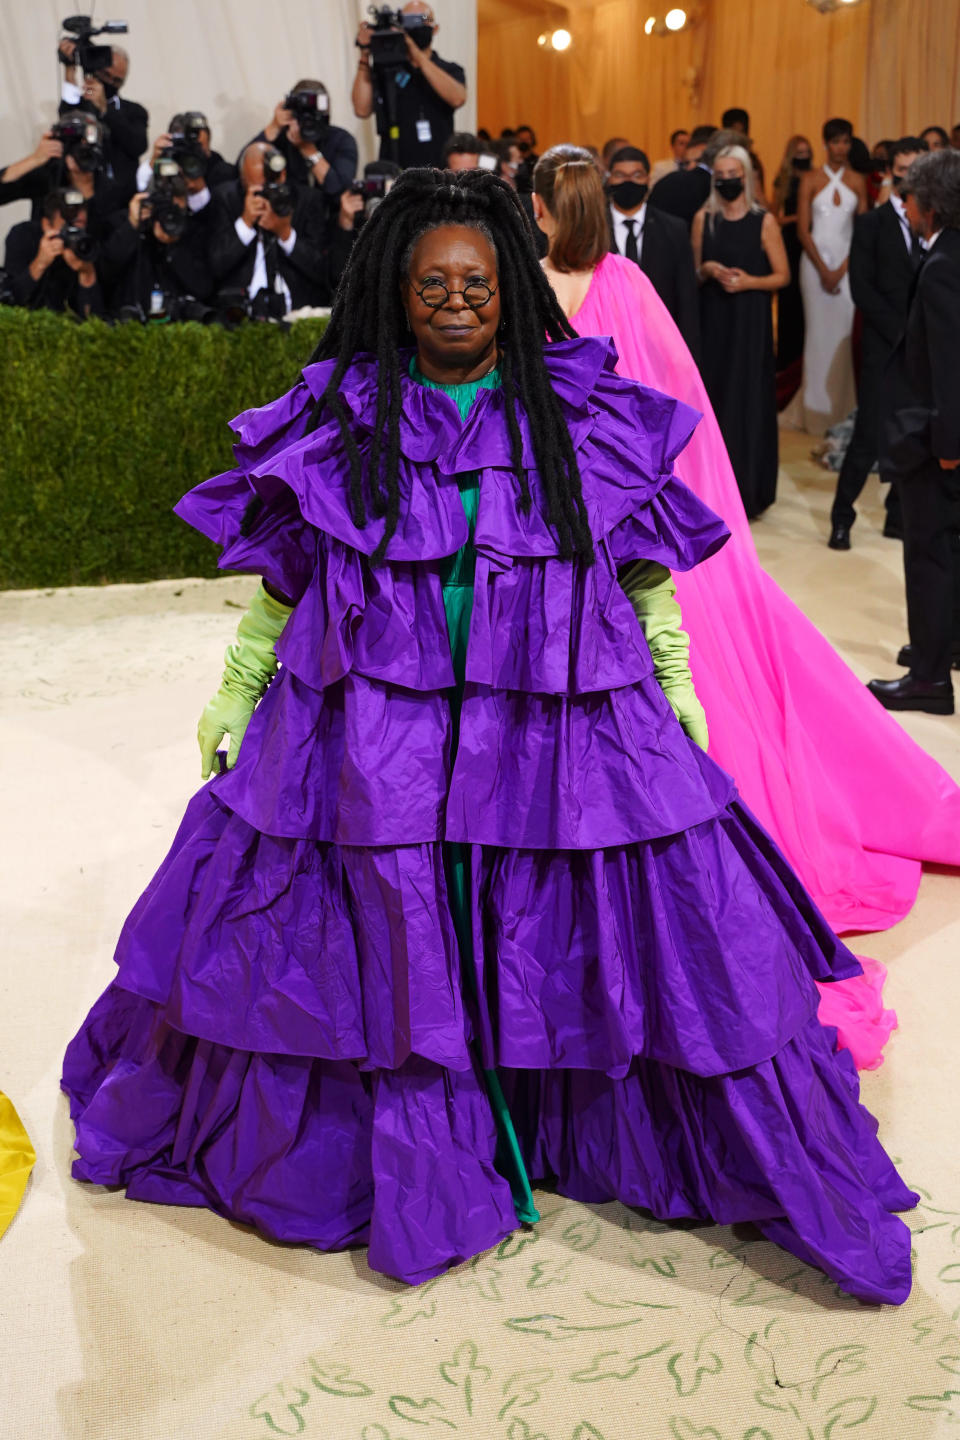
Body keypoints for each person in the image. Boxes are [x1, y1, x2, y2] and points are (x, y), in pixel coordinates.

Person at [61, 166, 916, 1306]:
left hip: (548, 711)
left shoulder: (574, 407)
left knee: (584, 915)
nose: (455, 300)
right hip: (379, 724)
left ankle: (554, 1118)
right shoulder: (346, 408)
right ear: (396, 293)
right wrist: (239, 685)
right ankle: (431, 1137)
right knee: (390, 922)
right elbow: (286, 576)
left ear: (511, 286)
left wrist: (673, 681)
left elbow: (645, 568)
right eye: (431, 285)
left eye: (475, 282)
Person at [531, 143, 960, 955]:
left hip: (552, 512)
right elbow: (672, 401)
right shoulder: (626, 284)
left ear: (544, 209)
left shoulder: (531, 292)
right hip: (624, 502)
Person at [869, 149, 960, 715]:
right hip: (941, 431)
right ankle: (938, 647)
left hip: (936, 436)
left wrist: (949, 449)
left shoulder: (943, 264)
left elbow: (950, 366)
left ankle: (929, 678)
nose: (904, 203)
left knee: (928, 552)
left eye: (909, 193)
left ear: (929, 203)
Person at [828, 137, 928, 550]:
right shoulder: (871, 224)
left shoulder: (939, 225)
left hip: (925, 353)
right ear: (890, 173)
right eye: (902, 171)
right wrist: (905, 331)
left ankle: (896, 517)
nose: (908, 179)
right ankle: (842, 518)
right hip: (882, 347)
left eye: (916, 171)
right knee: (868, 435)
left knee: (916, 434)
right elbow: (862, 290)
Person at [692, 145, 788, 517]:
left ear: (746, 177)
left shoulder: (764, 221)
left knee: (748, 400)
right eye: (721, 175)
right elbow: (694, 271)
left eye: (734, 174)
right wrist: (709, 270)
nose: (728, 181)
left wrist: (749, 282)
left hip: (750, 324)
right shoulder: (705, 218)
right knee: (716, 400)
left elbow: (782, 276)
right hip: (714, 321)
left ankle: (750, 493)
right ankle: (714, 493)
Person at [790, 117, 868, 435]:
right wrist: (824, 268)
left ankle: (842, 409)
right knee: (817, 335)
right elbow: (802, 230)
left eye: (846, 141)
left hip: (850, 266)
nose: (841, 147)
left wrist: (841, 268)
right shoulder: (809, 179)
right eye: (836, 141)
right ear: (825, 144)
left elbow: (863, 231)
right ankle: (814, 411)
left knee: (843, 334)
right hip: (813, 265)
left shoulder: (858, 181)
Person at [208, 143, 332, 315]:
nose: (266, 193)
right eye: (258, 188)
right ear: (243, 181)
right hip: (240, 313)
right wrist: (245, 223)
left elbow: (323, 271)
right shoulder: (225, 198)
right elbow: (215, 266)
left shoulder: (307, 200)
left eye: (271, 184)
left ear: (282, 175)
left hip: (297, 312)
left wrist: (285, 233)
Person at [606, 144, 699, 359]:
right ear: (609, 179)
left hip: (660, 344)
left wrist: (688, 355)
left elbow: (686, 298)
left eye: (636, 175)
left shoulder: (674, 229)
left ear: (648, 179)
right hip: (607, 343)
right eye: (620, 175)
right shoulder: (591, 229)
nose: (628, 182)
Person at [352, 2, 466, 168]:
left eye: (423, 20)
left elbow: (458, 98)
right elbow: (361, 110)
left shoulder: (449, 69)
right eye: (408, 21)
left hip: (438, 168)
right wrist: (364, 55)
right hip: (395, 166)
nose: (415, 26)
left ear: (435, 28)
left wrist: (414, 52)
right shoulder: (387, 69)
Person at [102, 173, 213, 319]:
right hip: (131, 323)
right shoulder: (124, 224)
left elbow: (204, 288)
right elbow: (106, 271)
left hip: (178, 325)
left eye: (178, 212)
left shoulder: (192, 232)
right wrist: (132, 226)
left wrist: (173, 247)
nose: (171, 218)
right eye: (166, 211)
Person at [57, 38, 147, 200]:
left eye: (117, 80)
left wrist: (105, 109)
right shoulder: (84, 103)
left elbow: (138, 145)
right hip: (84, 194)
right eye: (106, 75)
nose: (110, 82)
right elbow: (67, 111)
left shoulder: (134, 111)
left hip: (122, 201)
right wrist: (70, 69)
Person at [246, 81, 356, 206]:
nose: (308, 119)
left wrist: (308, 150)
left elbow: (340, 193)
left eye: (314, 113)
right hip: (289, 216)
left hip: (330, 217)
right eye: (303, 113)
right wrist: (273, 127)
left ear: (327, 111)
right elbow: (244, 172)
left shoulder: (341, 139)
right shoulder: (282, 138)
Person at [4, 187, 104, 318]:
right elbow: (9, 304)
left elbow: (96, 322)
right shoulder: (23, 236)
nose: (74, 235)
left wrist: (87, 274)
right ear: (46, 224)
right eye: (68, 227)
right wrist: (40, 263)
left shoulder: (89, 247)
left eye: (79, 228)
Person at [771, 134, 813, 406]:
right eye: (799, 151)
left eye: (807, 151)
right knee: (788, 303)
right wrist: (800, 217)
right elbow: (776, 215)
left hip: (807, 243)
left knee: (804, 304)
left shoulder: (815, 178)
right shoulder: (782, 180)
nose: (803, 155)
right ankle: (786, 362)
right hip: (788, 241)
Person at [648, 124, 718, 230]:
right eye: (687, 163)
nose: (693, 167)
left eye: (699, 162)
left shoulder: (717, 184)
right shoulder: (670, 182)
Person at [720, 106, 766, 204]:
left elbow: (760, 197)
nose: (738, 137)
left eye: (741, 132)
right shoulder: (721, 160)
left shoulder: (752, 161)